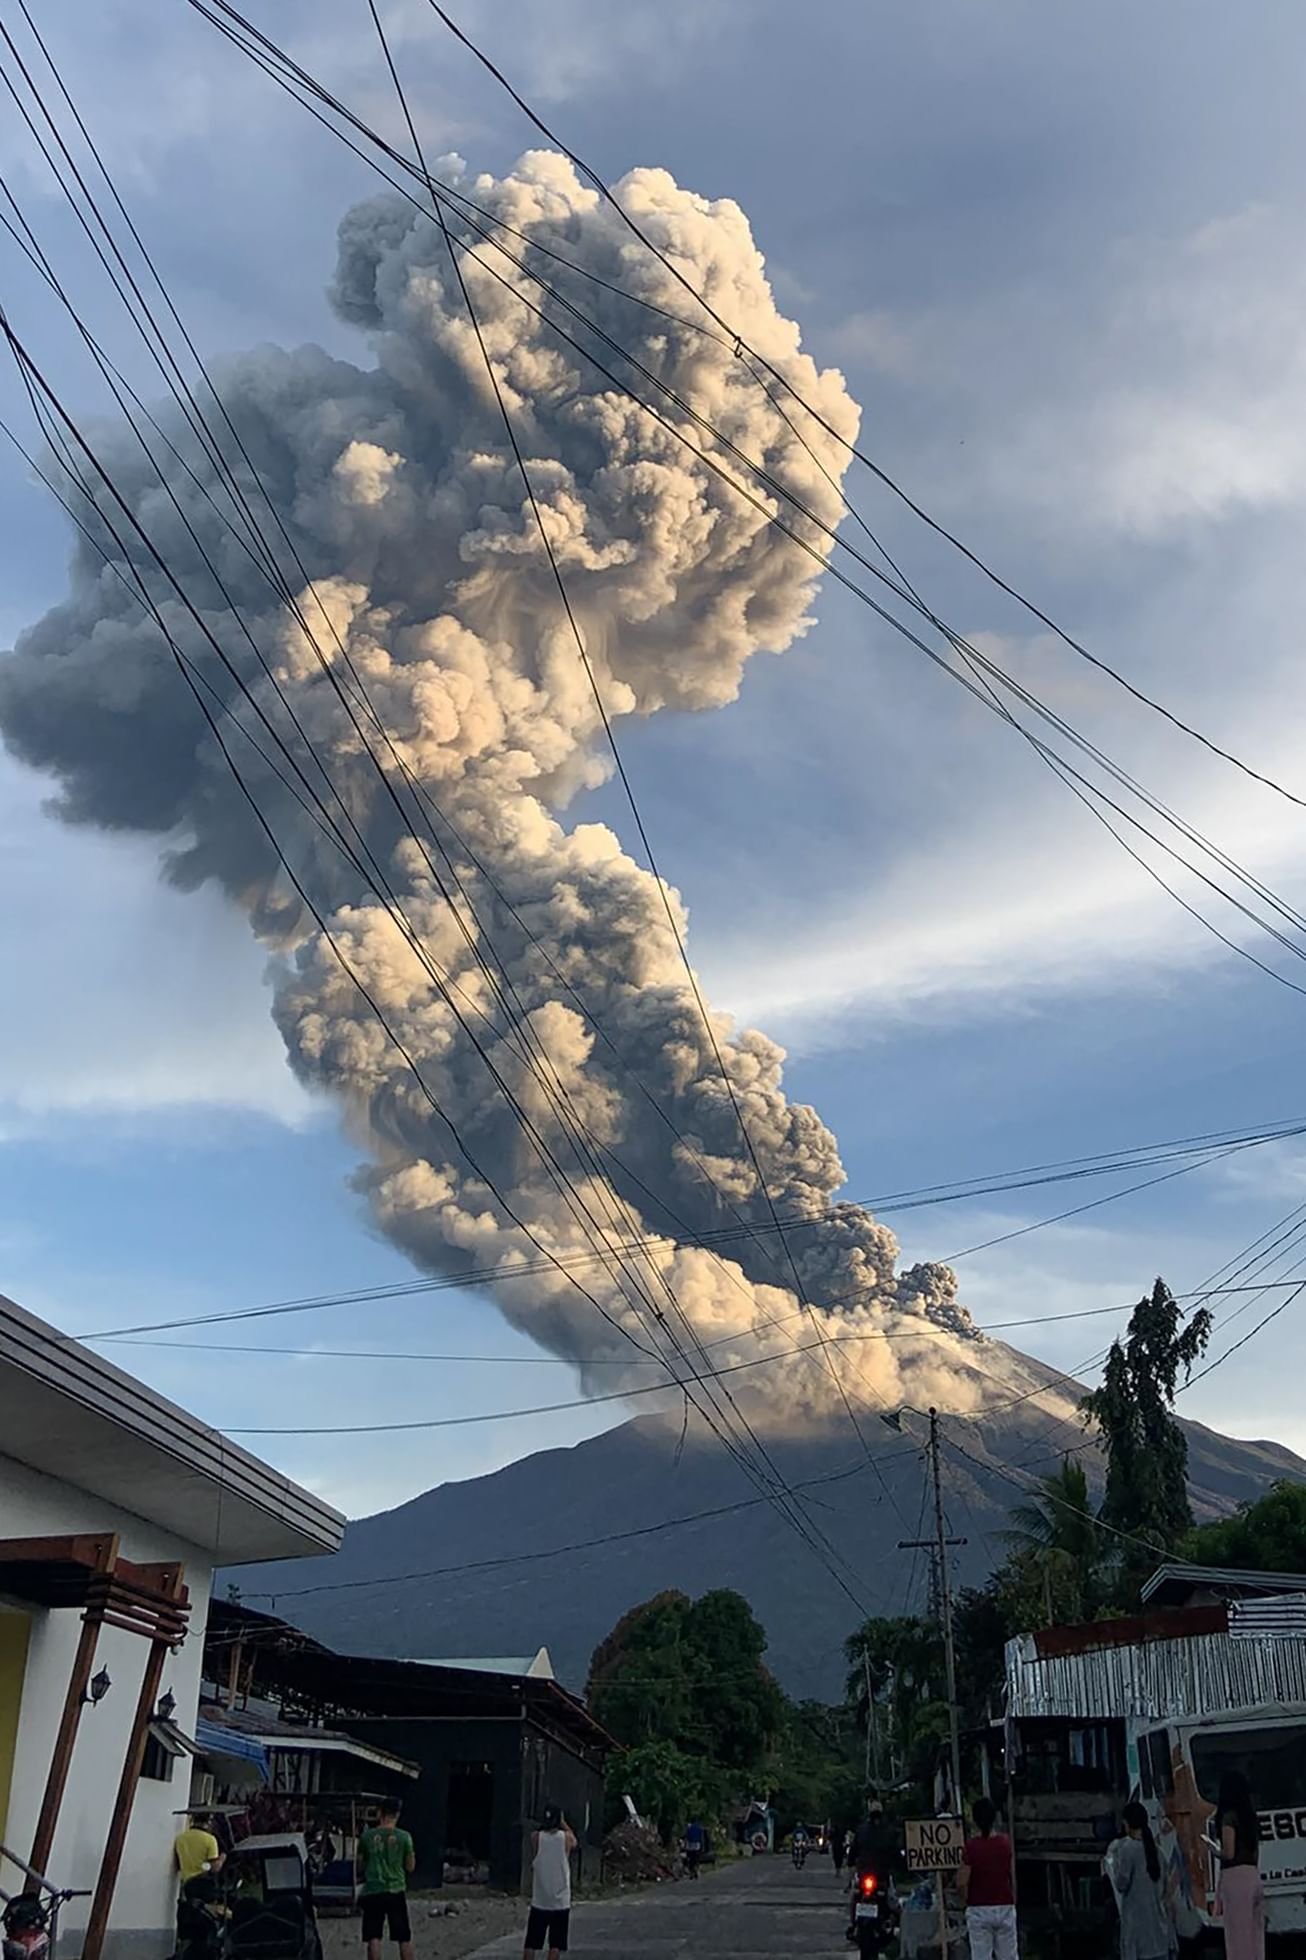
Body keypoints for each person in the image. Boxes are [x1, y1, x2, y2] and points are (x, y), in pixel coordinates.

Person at [1110, 1803, 1175, 1960]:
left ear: (1127, 1823)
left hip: (1137, 1933)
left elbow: (1121, 1884)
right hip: (1159, 1932)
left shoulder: (1127, 1849)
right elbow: (1167, 1888)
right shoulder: (1157, 1851)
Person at [958, 1797, 1017, 1960]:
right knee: (1009, 1956)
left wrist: (965, 1902)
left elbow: (962, 1881)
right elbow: (1011, 1874)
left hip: (979, 1908)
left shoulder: (971, 1847)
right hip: (1004, 1904)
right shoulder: (1005, 1843)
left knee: (981, 1956)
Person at [357, 1802, 415, 1960]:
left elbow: (360, 1865)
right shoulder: (404, 1837)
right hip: (396, 1889)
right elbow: (410, 1866)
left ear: (380, 1813)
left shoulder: (367, 1837)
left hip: (373, 1889)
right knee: (403, 1936)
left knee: (373, 1936)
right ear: (397, 1814)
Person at [1216, 1770, 1265, 1960]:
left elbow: (1229, 1852)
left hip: (1235, 1877)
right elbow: (1255, 1854)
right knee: (1255, 1934)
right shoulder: (1250, 1818)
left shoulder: (1229, 1817)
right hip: (1253, 1875)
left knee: (1238, 1935)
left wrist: (1213, 1850)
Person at [525, 1804, 576, 1960]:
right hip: (560, 1900)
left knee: (532, 1942)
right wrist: (564, 1822)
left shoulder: (536, 1838)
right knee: (555, 1943)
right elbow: (574, 1841)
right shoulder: (565, 1839)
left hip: (540, 1899)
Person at [848, 1798, 898, 1936]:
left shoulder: (862, 1830)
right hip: (878, 1875)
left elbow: (853, 1852)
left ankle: (853, 1924)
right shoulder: (888, 1831)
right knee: (892, 1901)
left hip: (869, 1875)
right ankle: (889, 1924)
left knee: (855, 1897)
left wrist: (851, 1863)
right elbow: (895, 1853)